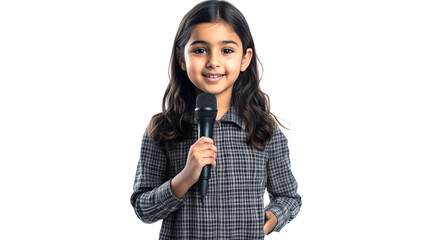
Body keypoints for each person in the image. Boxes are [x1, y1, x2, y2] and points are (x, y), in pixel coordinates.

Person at [130, 0, 301, 239]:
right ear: (182, 58)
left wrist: (272, 218)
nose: (213, 61)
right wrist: (185, 177)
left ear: (245, 58)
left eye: (227, 50)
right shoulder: (163, 130)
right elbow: (143, 208)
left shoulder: (264, 130)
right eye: (200, 50)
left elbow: (288, 197)